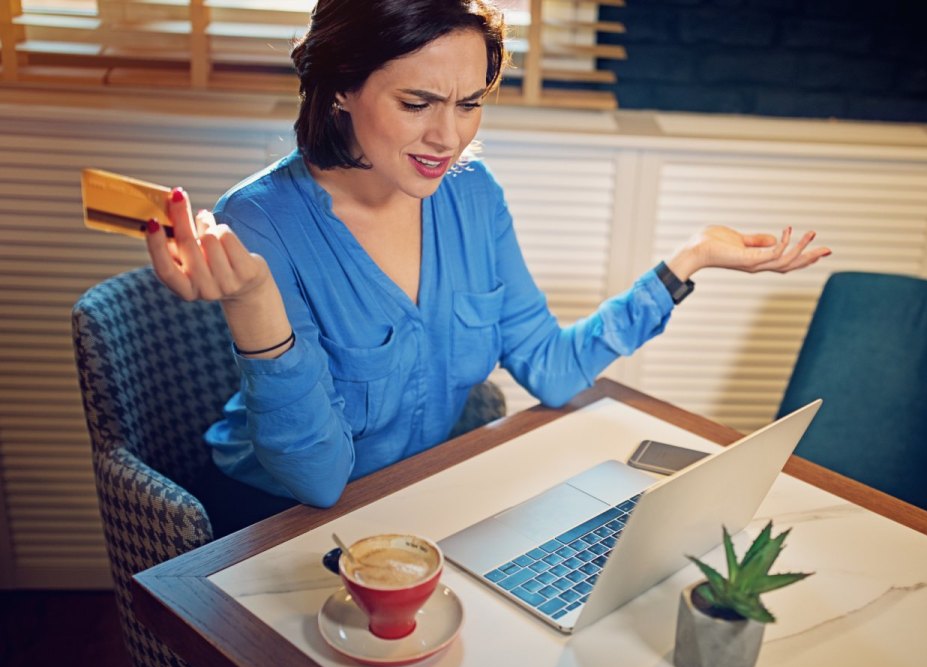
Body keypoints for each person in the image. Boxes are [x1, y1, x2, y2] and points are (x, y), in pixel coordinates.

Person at [145, 0, 831, 537]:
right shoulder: (262, 219)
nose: (449, 137)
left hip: (411, 500)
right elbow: (320, 480)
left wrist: (688, 261)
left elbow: (550, 366)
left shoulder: (473, 194)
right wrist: (255, 300)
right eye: (417, 103)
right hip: (273, 518)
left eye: (469, 103)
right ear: (341, 89)